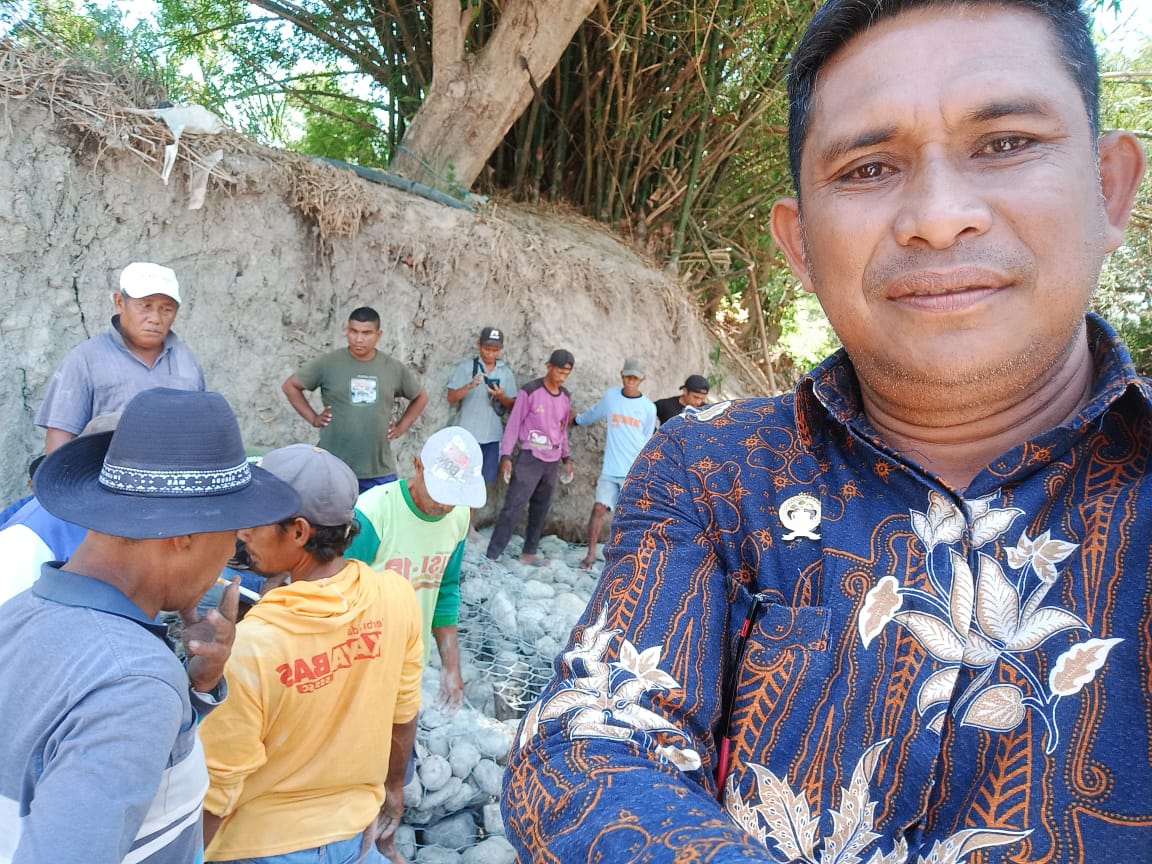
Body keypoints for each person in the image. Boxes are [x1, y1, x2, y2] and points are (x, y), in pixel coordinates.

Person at [503, 2, 1151, 862]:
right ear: (799, 244)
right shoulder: (714, 469)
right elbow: (585, 740)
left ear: (1109, 188)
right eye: (870, 166)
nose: (938, 215)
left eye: (1004, 144)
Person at [0, 388, 299, 862]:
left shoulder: (16, 616)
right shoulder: (134, 684)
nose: (230, 557)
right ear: (184, 535)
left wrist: (194, 689)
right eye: (232, 538)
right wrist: (155, 686)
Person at [198, 444, 423, 864]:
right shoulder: (396, 596)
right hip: (354, 839)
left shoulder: (252, 644)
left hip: (261, 847)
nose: (243, 532)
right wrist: (393, 789)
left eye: (258, 519)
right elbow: (403, 715)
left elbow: (219, 787)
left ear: (299, 532)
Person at [345, 426, 486, 711]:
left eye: (454, 494)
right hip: (358, 662)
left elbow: (446, 590)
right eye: (439, 491)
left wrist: (451, 666)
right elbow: (337, 594)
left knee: (400, 744)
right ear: (418, 465)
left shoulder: (458, 517)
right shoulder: (374, 512)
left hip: (409, 661)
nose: (445, 504)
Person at [35, 261, 205, 453]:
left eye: (166, 309)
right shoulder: (85, 359)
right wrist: (57, 480)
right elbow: (61, 434)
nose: (155, 318)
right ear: (119, 302)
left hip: (176, 477)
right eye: (145, 306)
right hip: (105, 479)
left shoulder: (186, 360)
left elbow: (200, 429)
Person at [282, 306, 429, 491]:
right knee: (331, 519)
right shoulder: (329, 363)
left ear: (378, 334)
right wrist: (313, 418)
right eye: (354, 331)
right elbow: (290, 386)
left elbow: (420, 397)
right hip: (333, 466)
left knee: (377, 518)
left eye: (367, 333)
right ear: (347, 331)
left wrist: (401, 427)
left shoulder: (392, 368)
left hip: (378, 469)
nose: (359, 339)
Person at [486, 349, 575, 565]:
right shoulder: (530, 391)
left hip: (552, 460)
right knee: (513, 505)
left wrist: (567, 458)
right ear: (548, 366)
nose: (562, 377)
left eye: (566, 374)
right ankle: (492, 555)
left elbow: (562, 430)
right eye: (559, 372)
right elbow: (514, 424)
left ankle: (529, 552)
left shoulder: (565, 397)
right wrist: (506, 456)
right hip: (530, 456)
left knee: (541, 507)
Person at [571, 357, 656, 569]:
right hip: (610, 468)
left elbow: (646, 438)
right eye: (627, 376)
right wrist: (577, 420)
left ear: (642, 379)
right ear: (622, 376)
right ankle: (590, 555)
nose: (630, 381)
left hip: (632, 472)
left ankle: (620, 560)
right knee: (599, 508)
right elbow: (594, 413)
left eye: (635, 378)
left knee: (626, 518)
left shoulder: (648, 408)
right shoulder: (611, 397)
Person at [445, 326, 518, 531]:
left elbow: (513, 406)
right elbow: (451, 397)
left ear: (500, 349)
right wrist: (469, 386)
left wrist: (501, 396)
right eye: (487, 348)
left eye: (495, 350)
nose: (490, 353)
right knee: (459, 480)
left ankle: (468, 526)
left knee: (479, 484)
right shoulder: (466, 368)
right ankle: (451, 523)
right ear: (479, 346)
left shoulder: (505, 373)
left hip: (491, 437)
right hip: (466, 435)